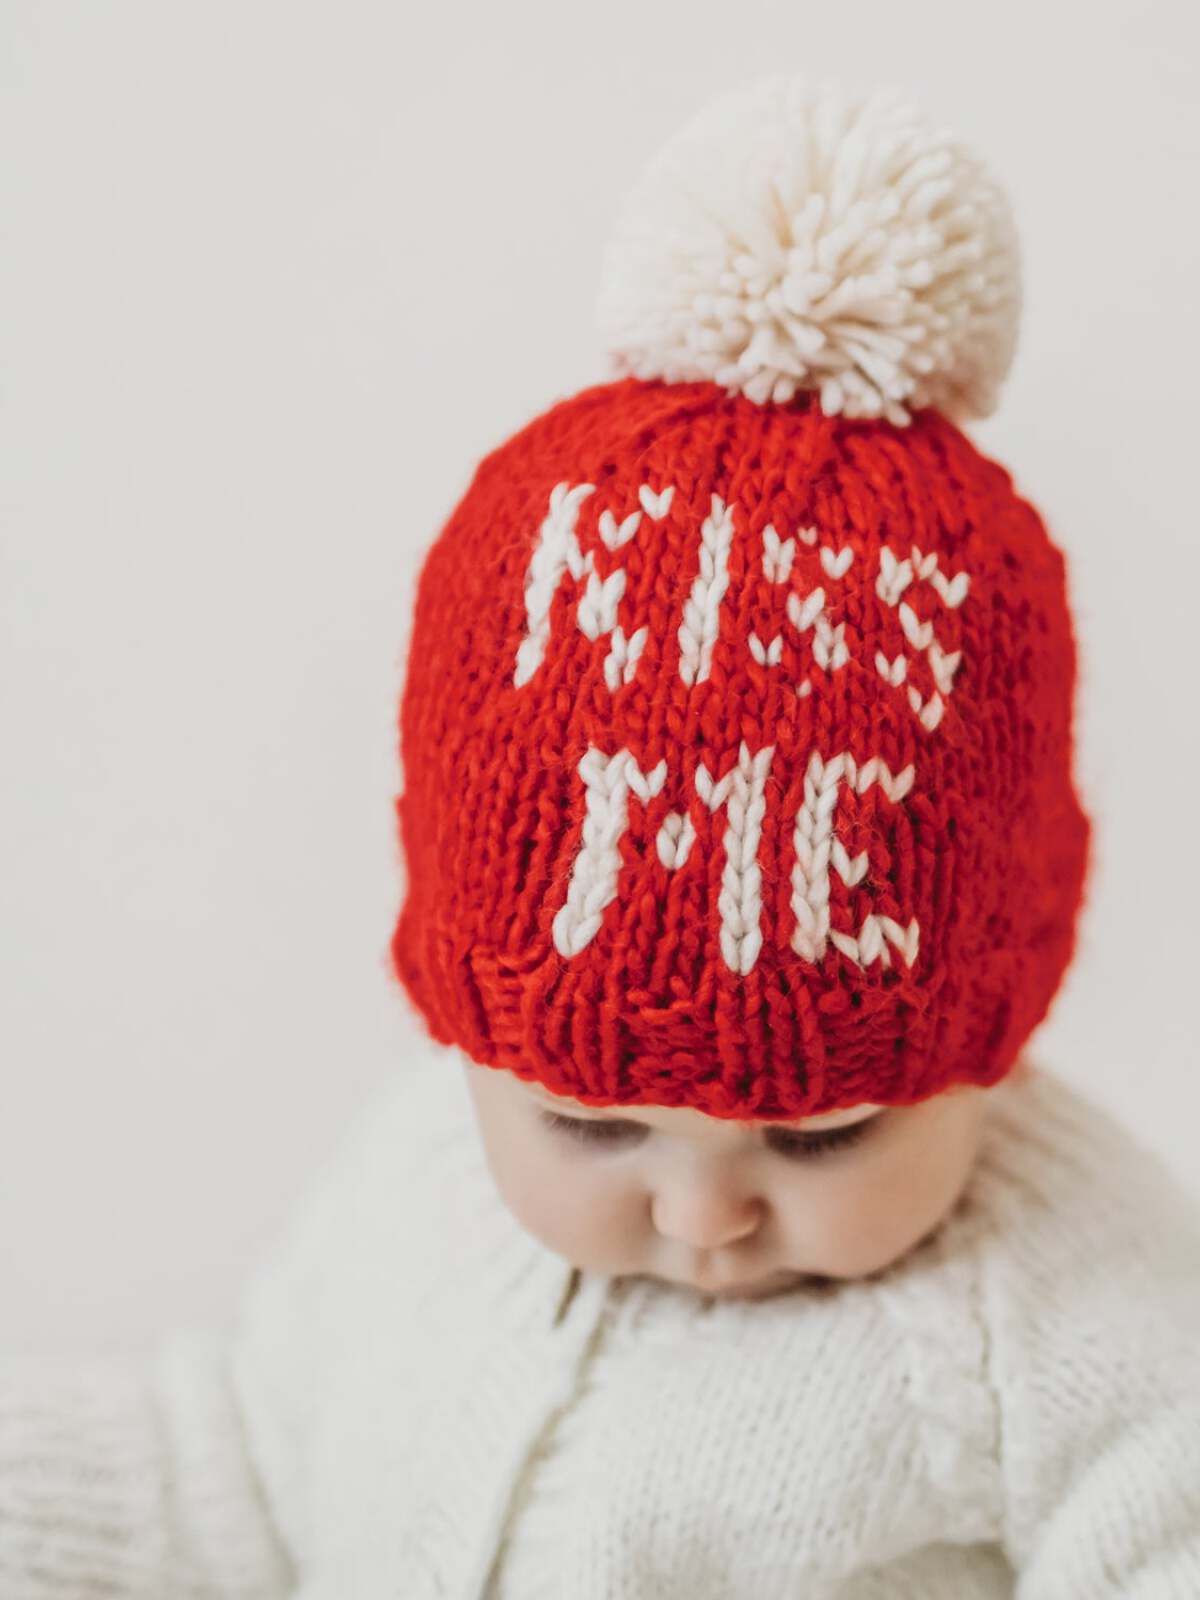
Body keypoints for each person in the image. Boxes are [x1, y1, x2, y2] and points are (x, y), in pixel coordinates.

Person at [3, 72, 1199, 1600]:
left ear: (998, 1016)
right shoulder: (418, 1182)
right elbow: (234, 1463)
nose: (705, 1211)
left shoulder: (1081, 1326)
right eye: (587, 1121)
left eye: (826, 1130)